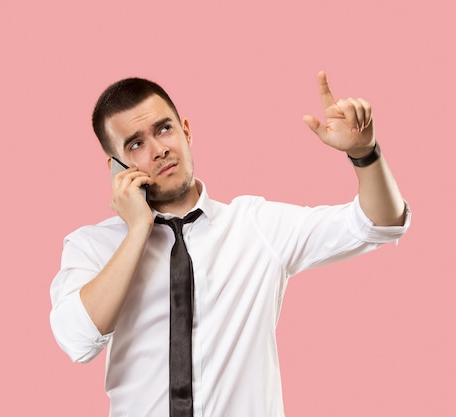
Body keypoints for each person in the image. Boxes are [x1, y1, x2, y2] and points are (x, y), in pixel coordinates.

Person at [49, 72, 410, 417]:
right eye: (136, 144)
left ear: (186, 131)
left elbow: (379, 223)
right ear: (116, 166)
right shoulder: (92, 246)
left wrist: (366, 154)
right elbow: (77, 340)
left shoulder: (255, 226)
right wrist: (138, 229)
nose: (158, 150)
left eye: (164, 129)